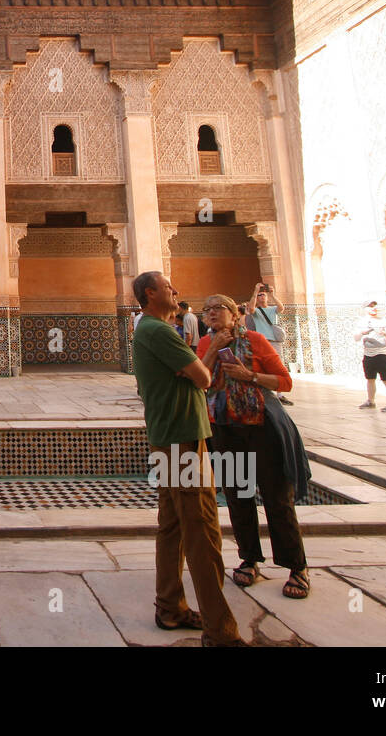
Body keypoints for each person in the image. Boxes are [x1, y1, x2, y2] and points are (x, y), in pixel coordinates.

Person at [131, 270, 244, 646]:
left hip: (167, 437)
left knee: (174, 526)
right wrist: (213, 348)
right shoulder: (158, 330)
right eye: (167, 287)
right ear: (150, 294)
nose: (175, 291)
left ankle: (170, 607)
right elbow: (202, 377)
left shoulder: (151, 329)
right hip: (182, 440)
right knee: (203, 532)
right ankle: (220, 631)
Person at [197, 294, 309, 600]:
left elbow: (285, 382)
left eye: (218, 308)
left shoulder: (256, 341)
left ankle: (296, 566)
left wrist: (250, 376)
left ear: (234, 314)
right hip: (226, 428)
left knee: (276, 498)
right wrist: (213, 351)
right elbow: (200, 382)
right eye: (207, 310)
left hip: (262, 427)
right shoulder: (206, 345)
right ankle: (250, 558)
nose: (212, 314)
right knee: (238, 495)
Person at [246, 283, 293, 406]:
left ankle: (280, 394)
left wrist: (272, 294)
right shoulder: (256, 311)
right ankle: (265, 391)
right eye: (260, 295)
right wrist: (255, 292)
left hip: (274, 341)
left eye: (263, 295)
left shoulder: (272, 309)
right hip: (262, 341)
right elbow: (250, 309)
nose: (262, 297)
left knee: (278, 365)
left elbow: (281, 307)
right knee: (261, 366)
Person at [355, 300, 386, 412]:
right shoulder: (361, 322)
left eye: (374, 306)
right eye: (370, 306)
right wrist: (362, 333)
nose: (373, 308)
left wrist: (384, 333)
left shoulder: (383, 321)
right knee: (370, 378)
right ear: (364, 309)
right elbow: (356, 338)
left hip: (382, 354)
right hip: (368, 354)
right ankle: (371, 400)